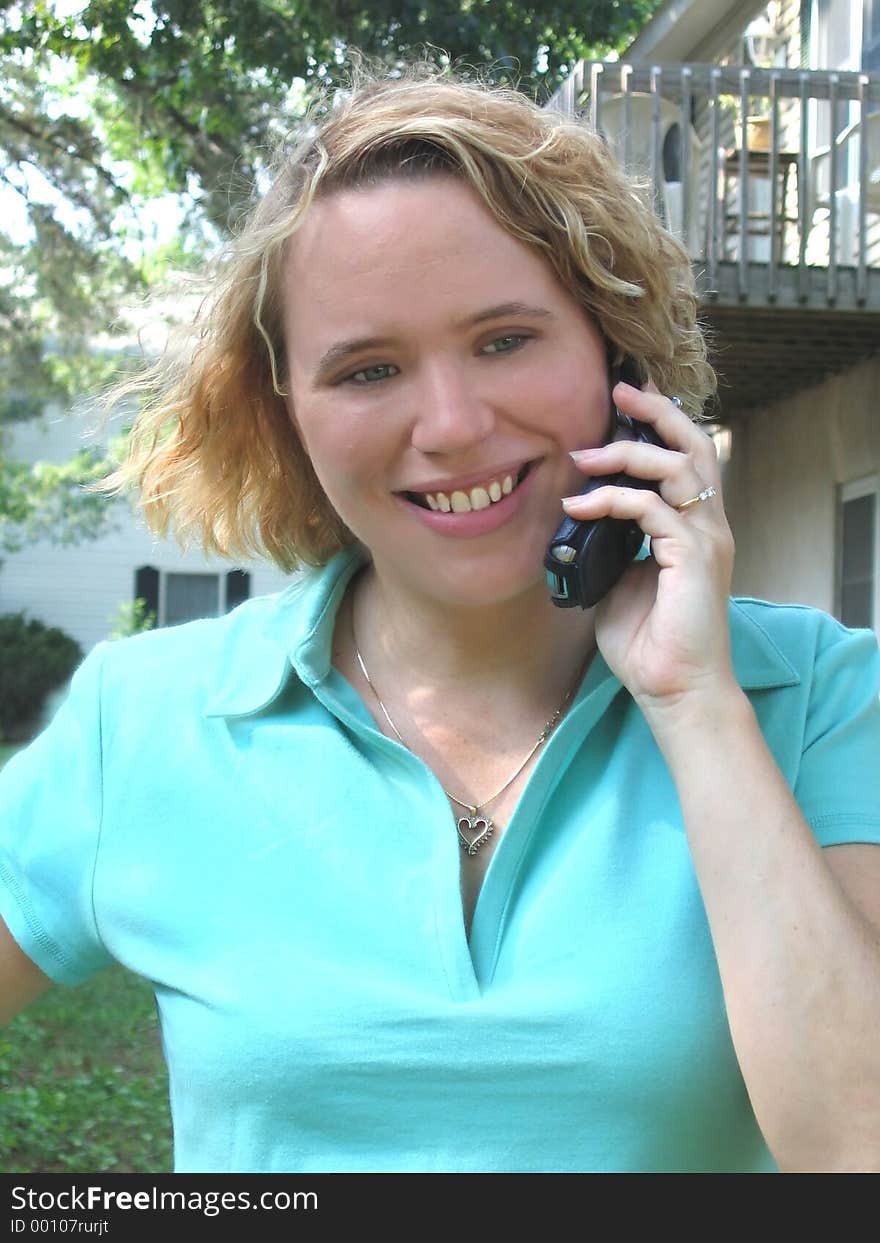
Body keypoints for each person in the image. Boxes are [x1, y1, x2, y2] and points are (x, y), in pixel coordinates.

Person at [2, 64, 879, 1176]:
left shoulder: (820, 697)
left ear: (617, 357)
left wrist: (695, 704)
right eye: (368, 369)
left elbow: (858, 1155)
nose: (454, 425)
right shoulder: (141, 721)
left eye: (506, 339)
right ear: (289, 419)